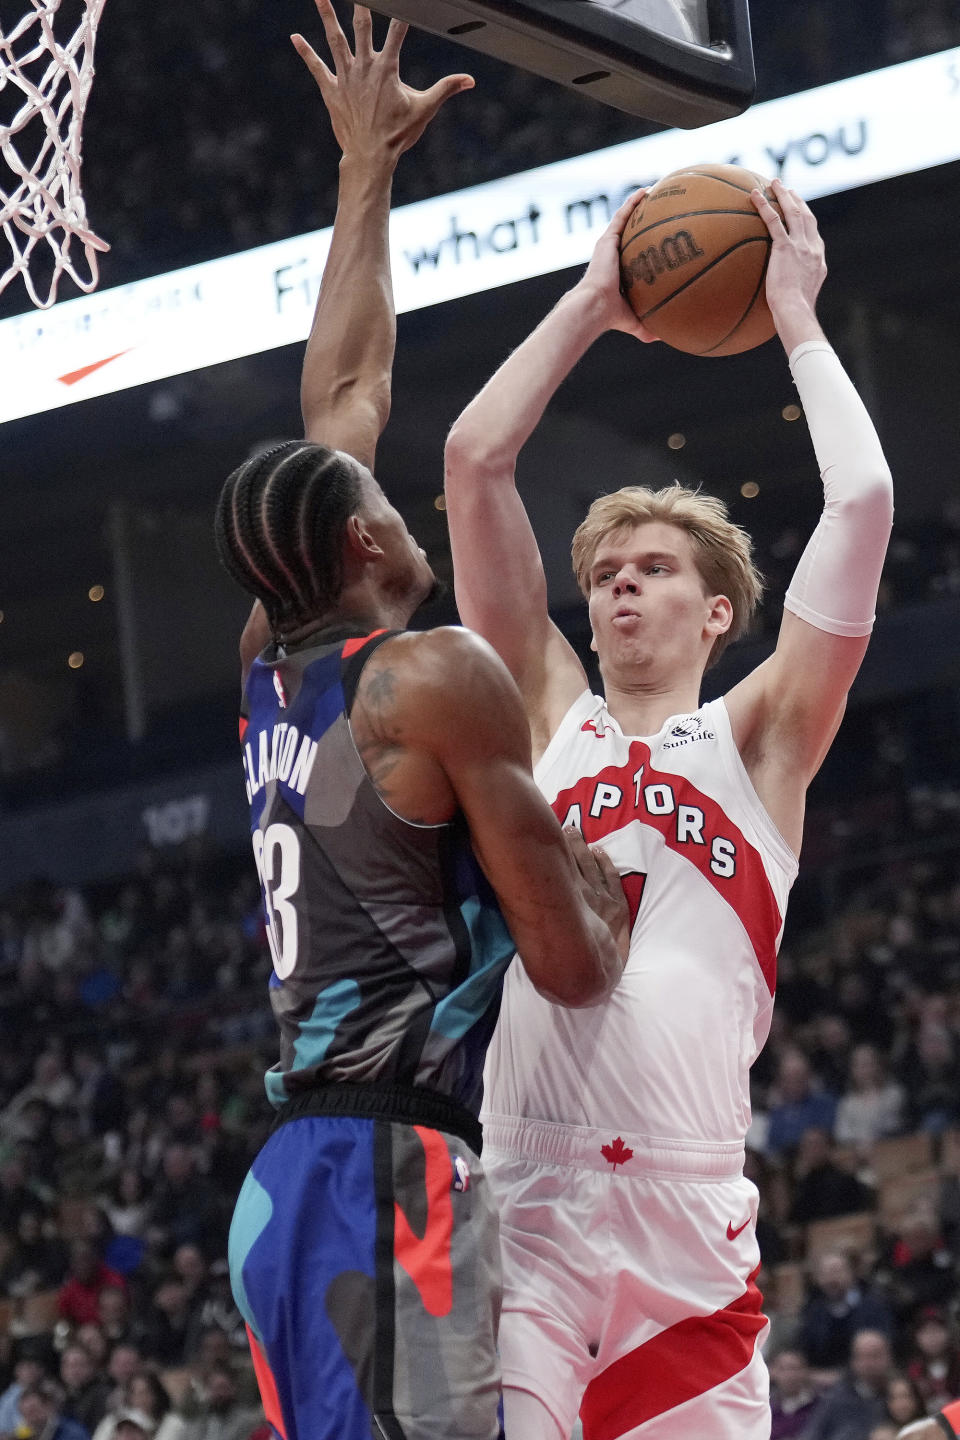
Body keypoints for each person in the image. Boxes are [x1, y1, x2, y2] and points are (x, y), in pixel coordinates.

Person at [216, 5, 629, 1439]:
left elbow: (341, 393)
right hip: (383, 1180)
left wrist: (366, 171)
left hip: (296, 1178)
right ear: (359, 553)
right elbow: (575, 968)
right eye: (385, 507)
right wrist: (599, 863)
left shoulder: (278, 646)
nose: (399, 505)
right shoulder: (428, 673)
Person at [442, 167, 894, 1437]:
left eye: (653, 570)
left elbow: (860, 502)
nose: (620, 588)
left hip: (689, 1221)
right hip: (528, 1198)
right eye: (604, 574)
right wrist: (592, 300)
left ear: (717, 611)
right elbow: (475, 462)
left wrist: (794, 313)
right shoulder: (546, 716)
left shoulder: (763, 740)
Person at [803, 1329, 895, 1440]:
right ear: (853, 1361)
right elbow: (811, 1433)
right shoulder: (836, 1396)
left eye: (875, 1356)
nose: (869, 1364)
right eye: (863, 1357)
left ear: (889, 1357)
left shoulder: (899, 1395)